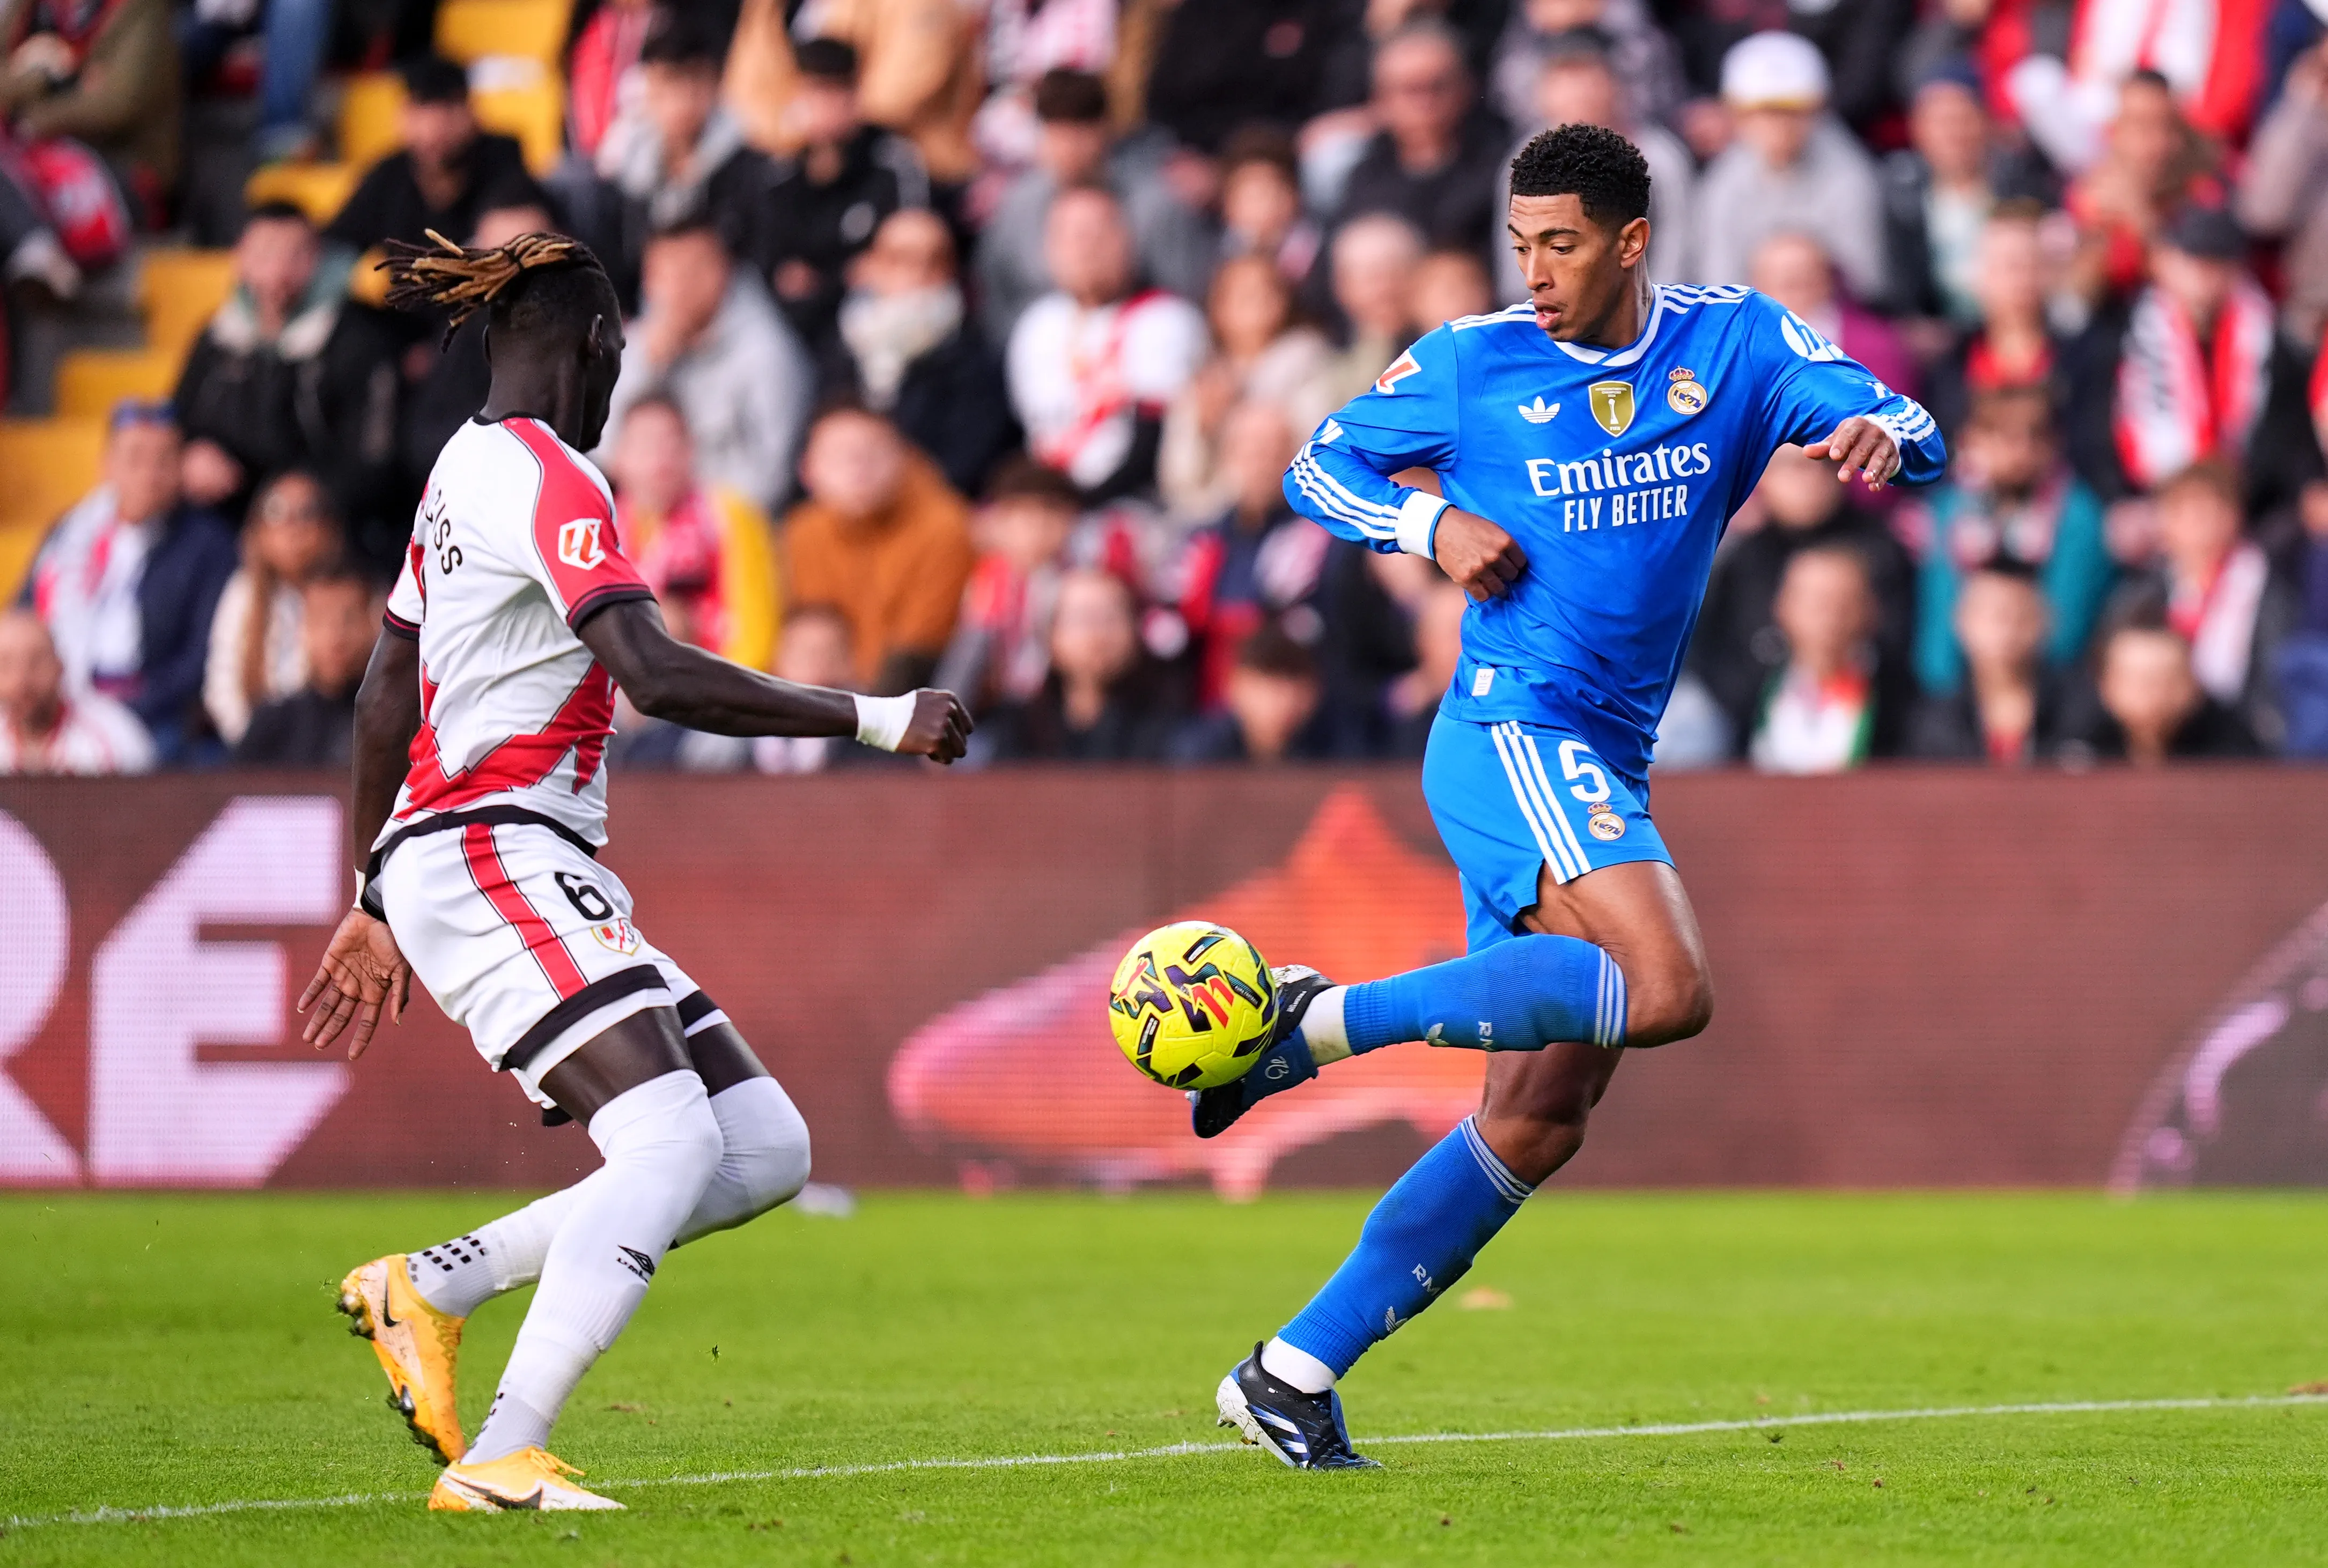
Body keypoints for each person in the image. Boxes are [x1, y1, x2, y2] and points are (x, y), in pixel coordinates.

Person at [1205, 123, 1943, 1467]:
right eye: (1521, 242)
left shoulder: (1730, 344)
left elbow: (1902, 415)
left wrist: (1879, 430)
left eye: (1559, 243)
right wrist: (1430, 526)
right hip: (1514, 732)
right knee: (1667, 988)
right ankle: (1314, 1021)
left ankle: (1291, 1368)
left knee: (1539, 1115)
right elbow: (1321, 465)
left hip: (1606, 751)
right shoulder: (1473, 363)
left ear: (1631, 240)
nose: (1534, 270)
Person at [301, 228, 969, 1513]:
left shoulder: (458, 469)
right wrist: (879, 717)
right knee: (665, 1136)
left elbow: (389, 686)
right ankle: (504, 1450)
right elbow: (656, 673)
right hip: (494, 846)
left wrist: (369, 889)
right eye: (616, 351)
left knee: (761, 1146)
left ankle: (430, 1285)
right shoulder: (551, 473)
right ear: (599, 345)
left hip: (491, 855)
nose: (617, 378)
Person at [20, 402, 237, 762]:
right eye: (135, 459)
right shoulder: (70, 533)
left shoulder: (209, 545)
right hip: (60, 699)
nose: (150, 474)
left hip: (154, 712)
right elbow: (24, 617)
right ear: (106, 465)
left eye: (165, 460)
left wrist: (126, 709)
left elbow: (202, 657)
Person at [173, 202, 399, 530]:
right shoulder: (217, 336)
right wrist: (189, 457)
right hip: (220, 518)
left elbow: (375, 463)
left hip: (324, 526)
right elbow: (177, 421)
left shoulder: (360, 339)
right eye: (265, 255)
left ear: (318, 260)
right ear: (241, 260)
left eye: (296, 256)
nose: (279, 272)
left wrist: (297, 496)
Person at [1688, 443, 1916, 750]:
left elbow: (1904, 653)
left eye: (1825, 466)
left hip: (1871, 730)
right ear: (1762, 477)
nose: (1811, 479)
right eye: (1795, 468)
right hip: (1749, 735)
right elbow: (1712, 657)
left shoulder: (1883, 552)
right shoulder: (1740, 562)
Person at [974, 68, 1212, 345]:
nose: (1069, 149)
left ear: (1105, 129)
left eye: (1080, 133)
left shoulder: (1155, 205)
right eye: (1057, 133)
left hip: (1139, 351)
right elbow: (996, 294)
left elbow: (1188, 298)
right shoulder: (1019, 204)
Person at [1006, 182, 1210, 501]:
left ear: (1127, 241)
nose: (1086, 249)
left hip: (1137, 503)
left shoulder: (1166, 318)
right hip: (1050, 506)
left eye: (1100, 233)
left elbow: (1149, 448)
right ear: (1049, 249)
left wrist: (1075, 509)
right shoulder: (1035, 326)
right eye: (1072, 236)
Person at [600, 220, 814, 515]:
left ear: (723, 271)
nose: (677, 287)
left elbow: (773, 478)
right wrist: (645, 368)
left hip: (733, 529)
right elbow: (602, 451)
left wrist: (690, 513)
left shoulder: (767, 352)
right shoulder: (642, 342)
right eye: (662, 275)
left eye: (692, 271)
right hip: (647, 521)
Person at [1911, 384, 2112, 698]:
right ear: (1971, 440)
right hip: (1961, 696)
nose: (2020, 451)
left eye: (2035, 437)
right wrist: (1947, 701)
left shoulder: (2077, 515)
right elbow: (1941, 617)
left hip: (2053, 695)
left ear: (2054, 444)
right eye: (2003, 437)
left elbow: (2066, 628)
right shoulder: (1951, 509)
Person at [821, 208, 1018, 498]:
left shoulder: (975, 359)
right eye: (899, 258)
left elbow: (967, 460)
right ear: (871, 265)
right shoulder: (842, 349)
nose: (918, 272)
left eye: (934, 260)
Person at [782, 405, 976, 693]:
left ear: (902, 458)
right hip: (820, 698)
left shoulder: (945, 527)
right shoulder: (801, 532)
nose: (857, 467)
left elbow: (919, 649)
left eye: (872, 453)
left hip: (912, 699)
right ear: (808, 470)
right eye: (839, 457)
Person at [1492, 26, 1694, 300]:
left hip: (1647, 310)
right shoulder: (1526, 158)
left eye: (1589, 77)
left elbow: (1678, 253)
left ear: (1617, 83)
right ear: (1542, 90)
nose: (1578, 93)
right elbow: (1515, 262)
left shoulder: (1660, 156)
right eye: (1564, 79)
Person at [2106, 459, 2296, 749]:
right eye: (2183, 511)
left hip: (2236, 735)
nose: (2197, 523)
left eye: (2209, 511)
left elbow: (2275, 678)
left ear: (2235, 516)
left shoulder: (2267, 589)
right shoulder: (2142, 593)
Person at [757, 36, 930, 352]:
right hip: (797, 324)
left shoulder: (892, 163)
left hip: (871, 320)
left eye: (838, 92)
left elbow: (905, 255)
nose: (828, 106)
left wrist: (825, 281)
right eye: (817, 92)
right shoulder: (781, 175)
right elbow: (776, 268)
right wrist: (842, 274)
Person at [1690, 31, 1884, 301]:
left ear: (1818, 111)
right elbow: (1718, 289)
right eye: (1764, 112)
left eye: (1793, 112)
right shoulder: (1723, 184)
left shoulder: (1850, 175)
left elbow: (1865, 285)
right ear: (1736, 115)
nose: (1779, 126)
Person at [325, 56, 544, 287]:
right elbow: (337, 245)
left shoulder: (502, 157)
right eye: (421, 113)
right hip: (409, 314)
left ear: (471, 113)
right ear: (403, 117)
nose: (433, 132)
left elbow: (522, 230)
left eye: (447, 113)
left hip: (485, 308)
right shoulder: (389, 174)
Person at [605, 9, 779, 298]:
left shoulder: (753, 171)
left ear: (714, 85)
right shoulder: (626, 171)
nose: (681, 102)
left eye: (693, 83)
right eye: (667, 84)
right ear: (648, 88)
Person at [607, 394, 779, 673]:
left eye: (671, 443)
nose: (660, 458)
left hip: (716, 685)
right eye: (644, 445)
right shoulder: (603, 524)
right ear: (617, 457)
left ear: (692, 450)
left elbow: (755, 629)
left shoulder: (729, 514)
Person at [1158, 257, 1331, 522]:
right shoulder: (1204, 378)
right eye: (1242, 295)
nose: (1256, 304)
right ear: (1218, 308)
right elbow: (1178, 481)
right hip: (1212, 520)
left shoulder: (1308, 361)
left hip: (1288, 511)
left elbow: (1316, 446)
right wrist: (1204, 430)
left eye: (1266, 292)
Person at [1329, 21, 1509, 262]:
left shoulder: (1501, 169)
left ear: (1467, 88)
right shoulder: (1363, 180)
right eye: (1411, 90)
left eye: (1437, 86)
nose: (1425, 103)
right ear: (1381, 99)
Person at [975, 565, 1179, 763]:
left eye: (1111, 618)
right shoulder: (1021, 723)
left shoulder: (1168, 716)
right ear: (1050, 636)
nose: (1098, 634)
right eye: (1083, 618)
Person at [203, 470, 343, 745]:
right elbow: (221, 686)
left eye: (308, 513)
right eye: (277, 512)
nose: (294, 528)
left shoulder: (348, 591)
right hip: (252, 748)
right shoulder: (242, 592)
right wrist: (253, 741)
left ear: (330, 527)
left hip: (325, 745)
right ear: (258, 531)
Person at [935, 456, 1082, 715]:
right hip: (999, 707)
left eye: (1051, 514)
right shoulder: (988, 579)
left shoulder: (1081, 579)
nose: (1037, 529)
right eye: (1022, 516)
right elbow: (967, 659)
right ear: (996, 522)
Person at [1744, 545, 1904, 772]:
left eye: (1844, 602)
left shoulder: (1900, 705)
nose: (1831, 615)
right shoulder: (1748, 694)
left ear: (1871, 609)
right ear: (1782, 606)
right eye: (1817, 601)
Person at [1909, 560, 2067, 764]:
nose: (2007, 630)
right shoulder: (1935, 722)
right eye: (1993, 616)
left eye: (2021, 616)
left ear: (2046, 621)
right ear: (1961, 621)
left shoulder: (2079, 713)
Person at [233, 566, 381, 767]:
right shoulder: (273, 724)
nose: (335, 638)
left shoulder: (393, 723)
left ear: (372, 626)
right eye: (321, 620)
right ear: (302, 628)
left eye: (349, 620)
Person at [2074, 618, 2262, 763]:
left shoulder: (2234, 751)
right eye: (2142, 682)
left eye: (2169, 680)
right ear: (2107, 685)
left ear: (2194, 684)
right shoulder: (2078, 750)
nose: (2156, 695)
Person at [0, 608, 153, 774]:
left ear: (60, 666)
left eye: (36, 662)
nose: (22, 679)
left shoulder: (113, 736)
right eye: (6, 665)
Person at [1172, 618, 1334, 764]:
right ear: (1235, 685)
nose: (1286, 699)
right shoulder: (1199, 752)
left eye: (1296, 683)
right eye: (1271, 685)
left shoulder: (1335, 748)